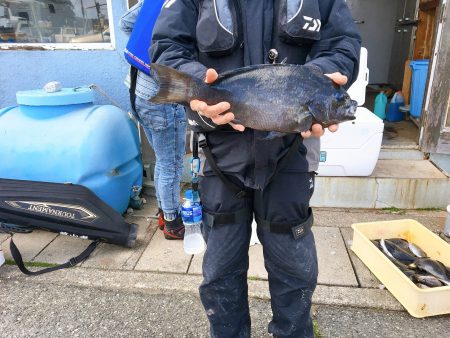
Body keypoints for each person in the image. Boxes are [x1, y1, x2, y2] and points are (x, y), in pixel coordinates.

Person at [150, 0, 360, 337]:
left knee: (295, 272)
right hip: (219, 152)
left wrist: (320, 77)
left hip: (291, 152)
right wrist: (198, 86)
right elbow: (167, 45)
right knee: (220, 270)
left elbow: (342, 43)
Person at [120, 0, 186, 240]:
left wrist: (146, 52)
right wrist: (158, 57)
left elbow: (125, 23)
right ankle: (172, 222)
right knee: (172, 164)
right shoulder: (193, 6)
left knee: (162, 160)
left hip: (136, 91)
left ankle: (163, 211)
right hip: (161, 99)